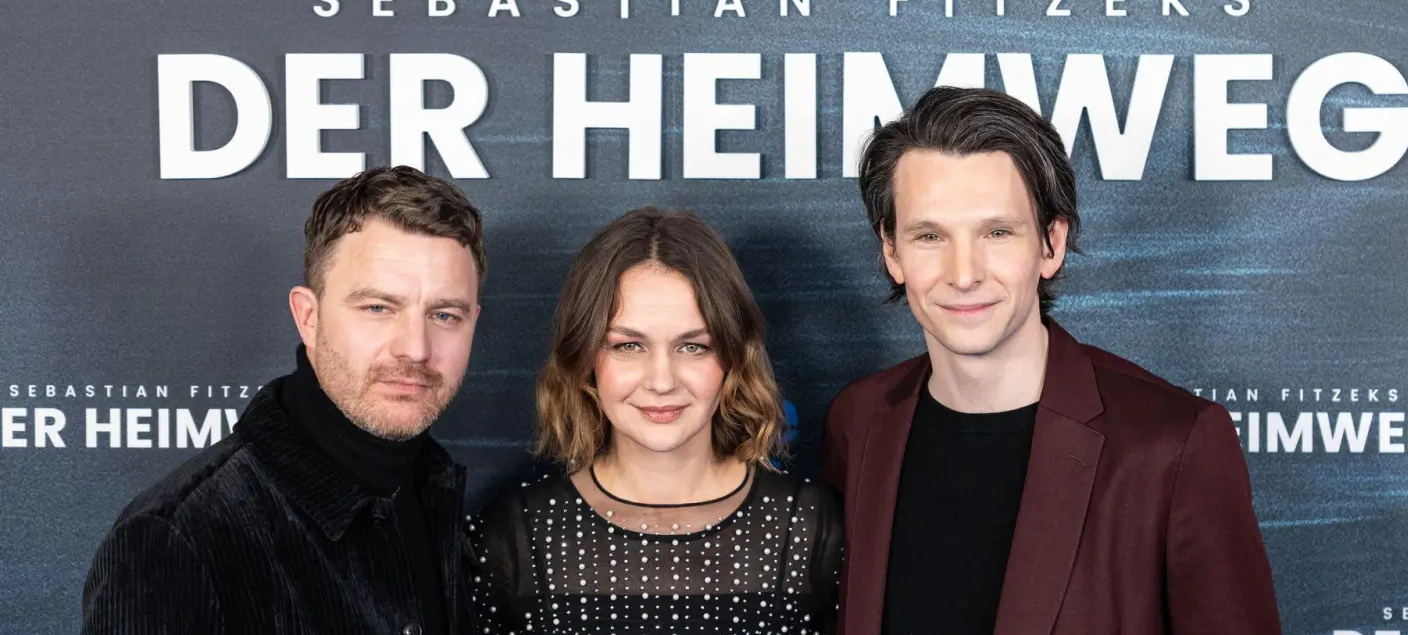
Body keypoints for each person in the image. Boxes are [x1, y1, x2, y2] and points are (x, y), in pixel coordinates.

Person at [821, 86, 1282, 635]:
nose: (963, 273)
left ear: (1050, 243)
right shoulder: (859, 422)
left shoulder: (1172, 445)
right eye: (929, 236)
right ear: (891, 252)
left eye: (996, 232)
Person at [82, 166, 486, 635]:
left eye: (444, 314)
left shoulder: (429, 490)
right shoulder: (181, 537)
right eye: (378, 307)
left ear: (473, 322)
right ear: (308, 317)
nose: (415, 347)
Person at [468, 207, 843, 635]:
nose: (661, 381)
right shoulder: (512, 533)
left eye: (693, 347)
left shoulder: (812, 525)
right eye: (628, 346)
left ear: (733, 357)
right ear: (586, 357)